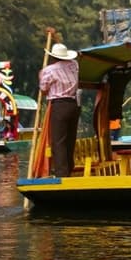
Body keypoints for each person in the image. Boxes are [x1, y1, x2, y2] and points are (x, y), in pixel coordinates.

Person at [39, 42, 80, 177]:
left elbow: (44, 89)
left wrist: (41, 73)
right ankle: (69, 168)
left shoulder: (49, 70)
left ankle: (62, 174)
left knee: (58, 141)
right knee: (70, 139)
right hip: (73, 105)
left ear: (53, 57)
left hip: (59, 105)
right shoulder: (74, 65)